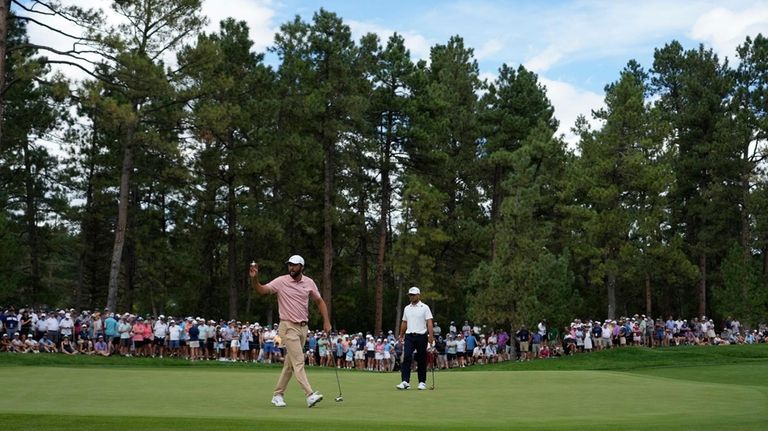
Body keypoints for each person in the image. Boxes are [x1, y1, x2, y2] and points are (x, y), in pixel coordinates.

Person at [250, 255, 331, 408]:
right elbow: (262, 290)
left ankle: (277, 395)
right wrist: (255, 279)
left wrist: (326, 321)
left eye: (294, 265)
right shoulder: (281, 281)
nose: (291, 268)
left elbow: (319, 301)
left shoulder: (309, 283)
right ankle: (309, 395)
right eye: (289, 265)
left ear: (302, 267)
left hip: (303, 327)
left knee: (290, 364)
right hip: (287, 326)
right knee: (299, 360)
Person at [396, 286, 434, 391]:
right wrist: (401, 335)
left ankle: (422, 382)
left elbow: (429, 322)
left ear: (418, 295)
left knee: (421, 358)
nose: (411, 297)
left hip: (422, 335)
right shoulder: (406, 308)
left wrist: (431, 336)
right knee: (407, 356)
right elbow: (404, 322)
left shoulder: (425, 307)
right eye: (410, 295)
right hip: (409, 336)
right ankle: (405, 381)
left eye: (413, 295)